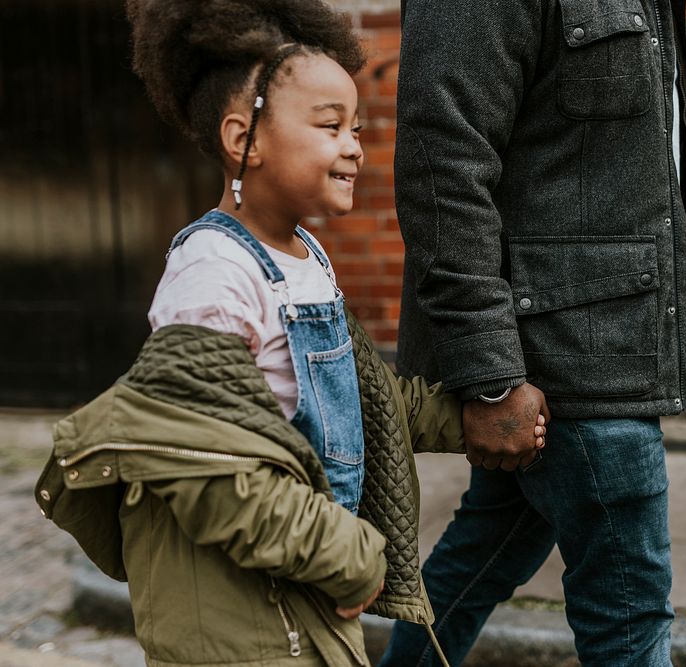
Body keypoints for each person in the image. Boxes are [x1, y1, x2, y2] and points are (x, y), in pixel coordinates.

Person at [34, 1, 543, 665]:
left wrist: (473, 413)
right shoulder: (214, 271)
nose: (355, 145)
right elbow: (204, 472)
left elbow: (357, 405)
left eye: (357, 127)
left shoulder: (301, 257)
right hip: (234, 625)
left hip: (296, 592)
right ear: (244, 137)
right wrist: (352, 554)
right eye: (331, 125)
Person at [380, 0, 686, 665]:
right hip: (560, 363)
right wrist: (490, 378)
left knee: (480, 559)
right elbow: (442, 165)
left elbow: (678, 168)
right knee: (631, 622)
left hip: (605, 350)